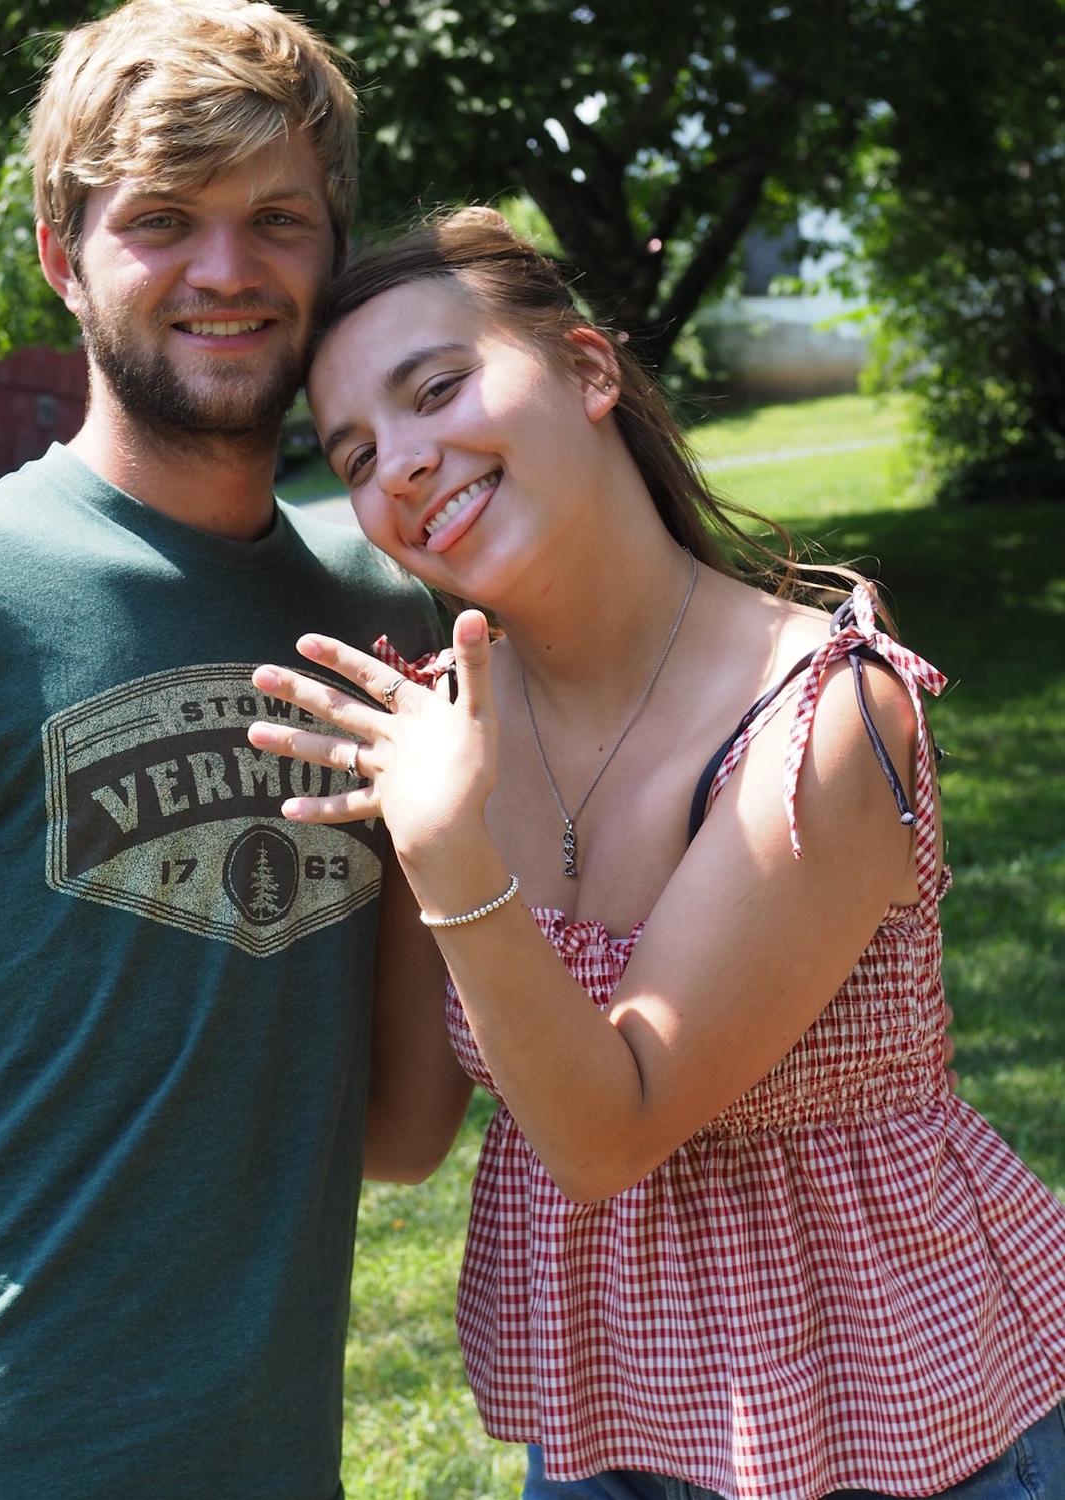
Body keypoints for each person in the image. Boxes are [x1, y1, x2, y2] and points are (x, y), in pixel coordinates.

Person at [0, 5, 462, 1497]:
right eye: (162, 220)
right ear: (62, 257)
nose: (228, 268)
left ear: (333, 255)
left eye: (278, 219)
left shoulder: (390, 620)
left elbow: (403, 1129)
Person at [248, 208, 1065, 1500]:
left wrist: (449, 852)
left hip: (916, 1425)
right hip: (607, 1437)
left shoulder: (827, 717)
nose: (398, 463)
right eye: (353, 453)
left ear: (587, 369)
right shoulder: (440, 736)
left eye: (437, 389)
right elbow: (404, 1129)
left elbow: (605, 1131)